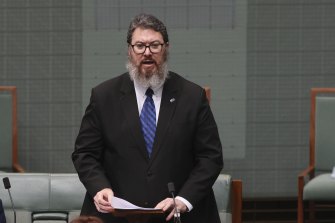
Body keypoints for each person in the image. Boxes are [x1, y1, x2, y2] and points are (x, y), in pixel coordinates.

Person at [72, 13, 223, 223]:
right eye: (140, 46)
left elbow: (211, 157)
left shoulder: (192, 96)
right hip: (117, 215)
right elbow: (85, 153)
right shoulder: (104, 96)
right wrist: (100, 187)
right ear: (129, 50)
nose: (147, 53)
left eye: (155, 45)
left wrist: (183, 199)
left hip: (177, 216)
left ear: (166, 48)